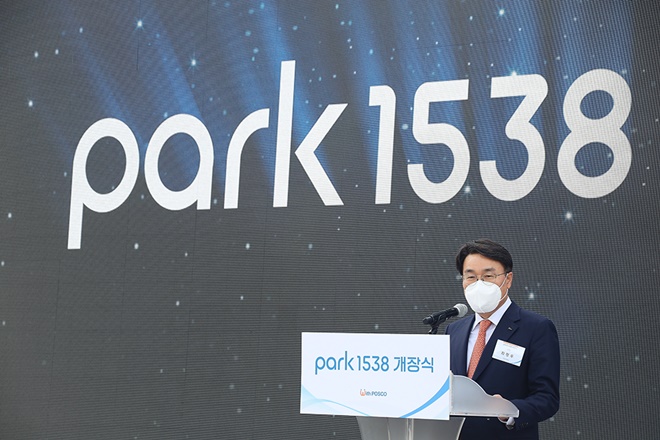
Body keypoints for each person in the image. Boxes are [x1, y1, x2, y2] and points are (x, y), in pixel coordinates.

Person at [445, 239, 560, 440]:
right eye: (470, 276)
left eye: (488, 276)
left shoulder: (536, 328)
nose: (479, 284)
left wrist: (508, 410)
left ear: (508, 279)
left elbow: (547, 398)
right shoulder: (454, 330)